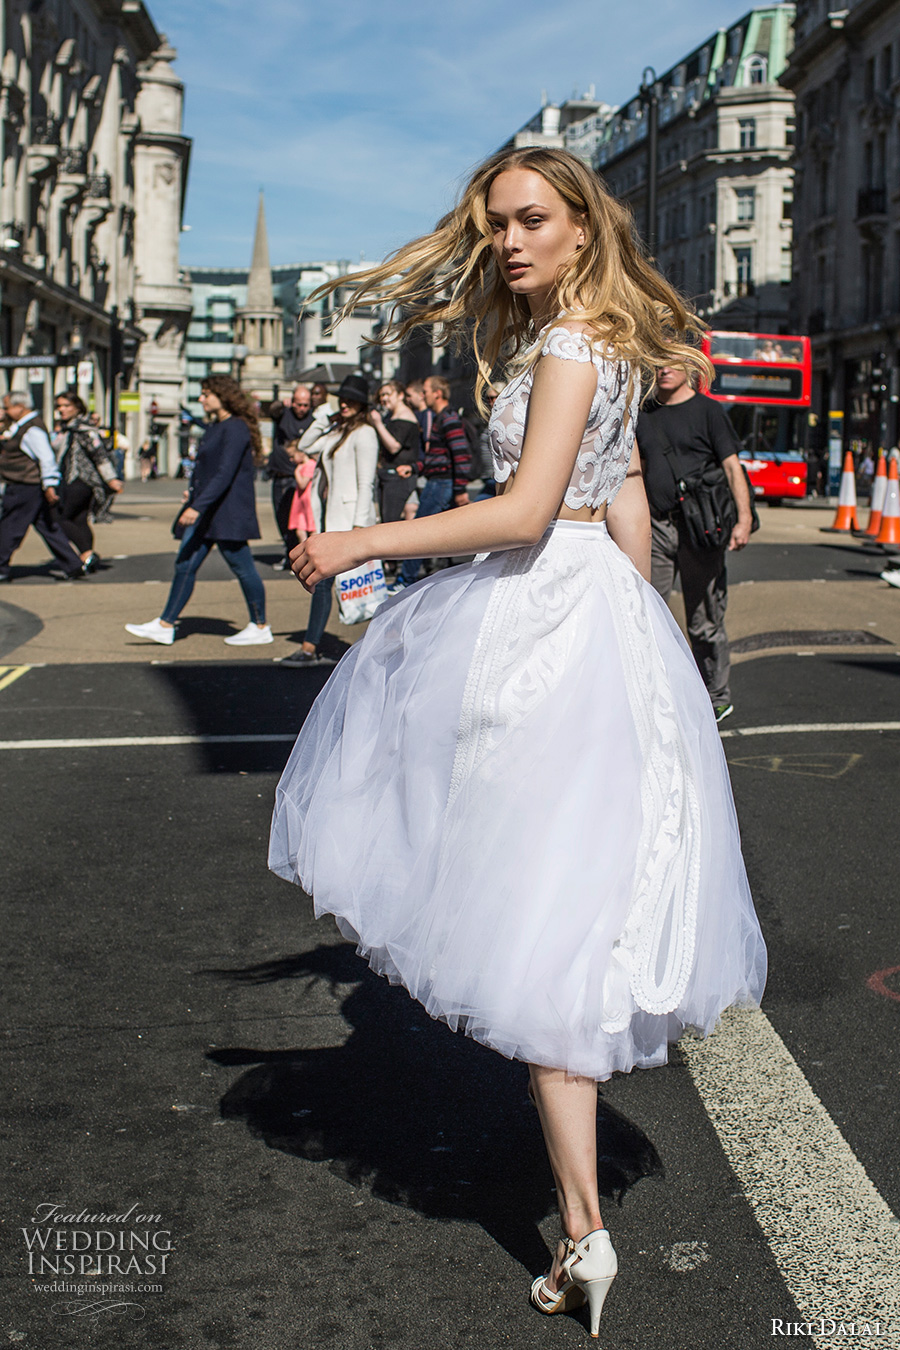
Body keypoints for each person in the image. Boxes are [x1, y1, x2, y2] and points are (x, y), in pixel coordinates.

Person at [268, 146, 766, 1336]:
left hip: (543, 606)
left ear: (584, 226)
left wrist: (363, 544)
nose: (509, 242)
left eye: (532, 220)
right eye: (497, 224)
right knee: (572, 900)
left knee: (534, 903)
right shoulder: (609, 344)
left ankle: (587, 1230)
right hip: (593, 614)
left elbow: (530, 510)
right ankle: (583, 1222)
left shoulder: (570, 346)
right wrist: (640, 637)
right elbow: (629, 499)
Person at [636, 365, 754, 724]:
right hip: (656, 526)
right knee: (646, 609)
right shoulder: (642, 413)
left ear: (690, 366)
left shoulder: (708, 411)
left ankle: (715, 696)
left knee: (704, 618)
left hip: (701, 529)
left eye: (671, 360)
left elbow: (733, 468)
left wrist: (744, 519)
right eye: (657, 362)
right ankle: (651, 689)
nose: (664, 369)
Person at [125, 375, 272, 647]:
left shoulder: (236, 428)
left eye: (206, 394)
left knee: (242, 566)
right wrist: (193, 494)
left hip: (226, 511)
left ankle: (260, 625)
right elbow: (207, 470)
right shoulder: (216, 427)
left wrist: (197, 505)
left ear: (223, 395)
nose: (201, 399)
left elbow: (224, 473)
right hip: (211, 510)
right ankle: (165, 624)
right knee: (186, 563)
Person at [279, 374, 378, 668]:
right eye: (342, 399)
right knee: (335, 586)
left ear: (361, 404)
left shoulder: (365, 434)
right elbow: (306, 446)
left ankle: (312, 648)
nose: (345, 403)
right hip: (331, 520)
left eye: (351, 400)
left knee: (364, 590)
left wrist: (360, 528)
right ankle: (311, 648)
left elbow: (366, 483)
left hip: (352, 523)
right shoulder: (336, 433)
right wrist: (323, 414)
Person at [391, 374, 471, 589]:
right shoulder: (440, 418)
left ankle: (405, 580)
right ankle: (444, 582)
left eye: (425, 391)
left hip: (441, 485)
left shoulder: (448, 418)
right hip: (438, 482)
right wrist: (414, 468)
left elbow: (461, 455)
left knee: (420, 534)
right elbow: (437, 458)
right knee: (444, 536)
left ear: (437, 393)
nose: (422, 395)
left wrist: (460, 489)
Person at [0, 389, 85, 581]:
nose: (4, 411)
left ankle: (1, 567)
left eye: (7, 407)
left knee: (10, 527)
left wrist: (49, 485)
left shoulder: (31, 429)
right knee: (48, 527)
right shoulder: (21, 426)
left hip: (25, 487)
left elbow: (46, 459)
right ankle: (72, 565)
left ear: (19, 407)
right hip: (28, 486)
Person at [54, 391, 123, 573]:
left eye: (66, 406)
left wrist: (111, 479)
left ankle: (86, 554)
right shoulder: (66, 428)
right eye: (59, 406)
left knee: (61, 518)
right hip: (72, 479)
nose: (61, 409)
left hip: (81, 480)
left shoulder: (83, 429)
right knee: (79, 519)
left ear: (77, 408)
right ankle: (88, 556)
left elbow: (99, 454)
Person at [267, 384, 314, 569]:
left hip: (302, 478)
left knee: (301, 522)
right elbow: (272, 410)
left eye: (305, 405)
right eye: (298, 404)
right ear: (292, 401)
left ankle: (300, 556)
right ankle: (290, 554)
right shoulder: (283, 414)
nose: (302, 408)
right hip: (281, 475)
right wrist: (280, 404)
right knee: (282, 517)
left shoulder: (313, 420)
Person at [369, 381, 422, 524]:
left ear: (400, 395)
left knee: (390, 522)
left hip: (398, 477)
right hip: (390, 476)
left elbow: (394, 446)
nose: (384, 398)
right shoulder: (392, 416)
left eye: (388, 394)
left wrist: (378, 424)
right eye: (381, 395)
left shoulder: (405, 417)